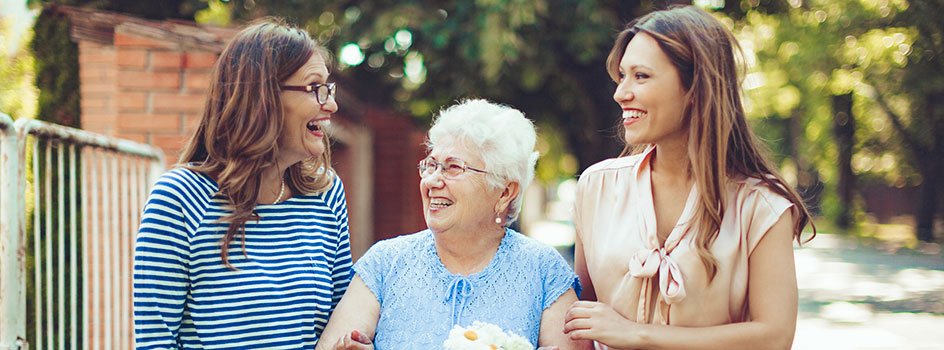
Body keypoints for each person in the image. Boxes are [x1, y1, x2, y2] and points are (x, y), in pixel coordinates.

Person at [565, 5, 815, 350]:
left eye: (641, 76)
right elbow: (579, 320)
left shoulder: (762, 207)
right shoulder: (596, 187)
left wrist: (636, 334)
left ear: (695, 87)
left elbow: (774, 337)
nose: (621, 93)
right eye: (622, 76)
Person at [132, 18, 352, 349]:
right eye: (314, 88)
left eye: (329, 89)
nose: (330, 104)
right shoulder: (179, 198)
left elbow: (341, 322)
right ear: (264, 97)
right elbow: (155, 341)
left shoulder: (325, 193)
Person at [316, 99, 588, 350]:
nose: (433, 181)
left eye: (453, 168)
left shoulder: (544, 272)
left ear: (504, 192)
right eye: (431, 166)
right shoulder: (385, 264)